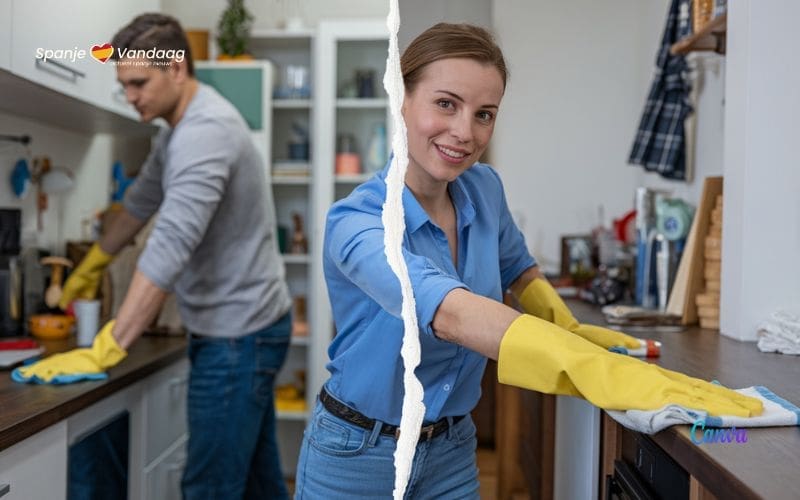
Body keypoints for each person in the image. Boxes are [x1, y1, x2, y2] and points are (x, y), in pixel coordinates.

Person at [294, 23, 762, 498]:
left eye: (484, 114)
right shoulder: (358, 222)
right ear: (401, 99)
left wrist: (568, 329)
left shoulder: (484, 188)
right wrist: (597, 370)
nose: (464, 132)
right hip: (358, 454)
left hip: (450, 451)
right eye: (445, 104)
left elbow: (518, 269)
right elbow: (450, 314)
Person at [14, 14, 293, 500]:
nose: (132, 97)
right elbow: (139, 205)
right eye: (124, 86)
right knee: (254, 481)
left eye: (139, 82)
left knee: (208, 487)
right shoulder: (176, 131)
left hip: (238, 335)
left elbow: (170, 246)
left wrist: (108, 345)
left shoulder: (205, 133)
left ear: (178, 69)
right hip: (245, 326)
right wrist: (90, 266)